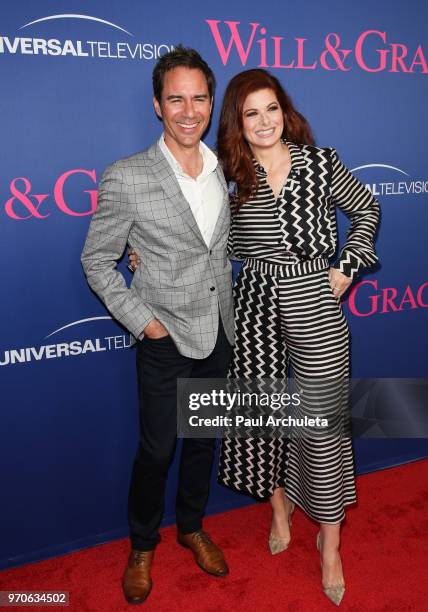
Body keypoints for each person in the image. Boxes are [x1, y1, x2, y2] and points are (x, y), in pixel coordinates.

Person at [215, 69, 380, 606]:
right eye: (251, 113)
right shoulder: (228, 174)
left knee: (324, 426)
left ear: (286, 111)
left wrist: (347, 267)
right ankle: (280, 509)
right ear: (237, 123)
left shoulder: (319, 162)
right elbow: (200, 238)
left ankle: (330, 544)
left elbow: (366, 209)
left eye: (272, 109)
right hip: (257, 304)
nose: (264, 122)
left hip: (315, 302)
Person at [81, 46, 234, 605]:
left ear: (211, 103)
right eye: (176, 98)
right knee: (157, 451)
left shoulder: (227, 168)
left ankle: (192, 526)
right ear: (157, 105)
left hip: (219, 330)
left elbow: (218, 248)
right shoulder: (128, 175)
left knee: (202, 442)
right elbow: (97, 259)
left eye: (198, 98)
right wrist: (145, 322)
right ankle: (143, 545)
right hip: (164, 337)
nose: (188, 110)